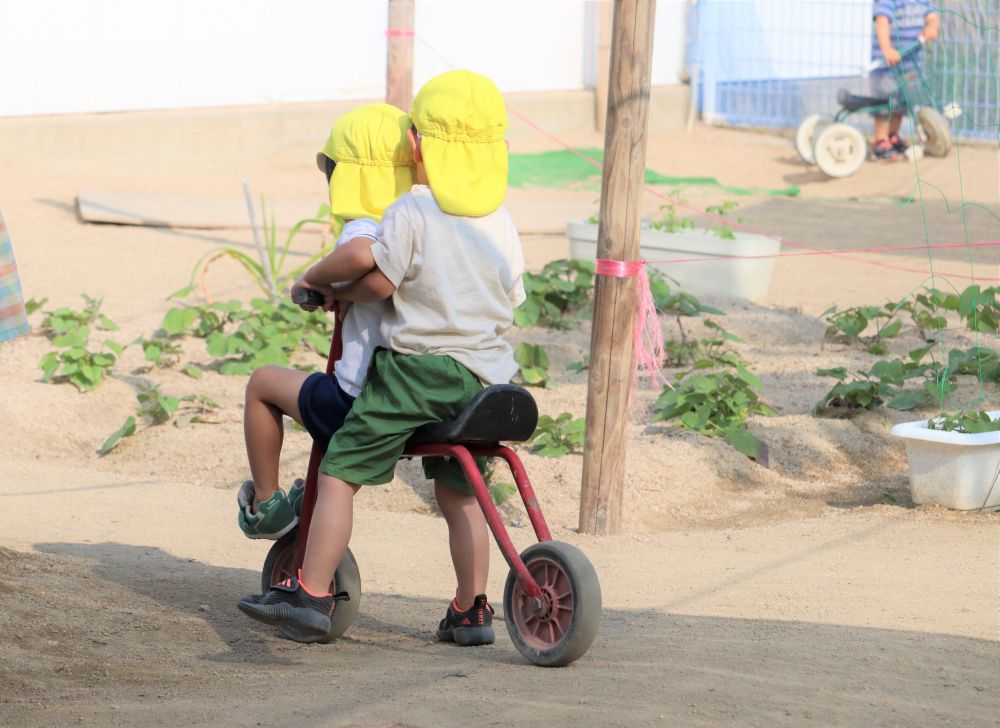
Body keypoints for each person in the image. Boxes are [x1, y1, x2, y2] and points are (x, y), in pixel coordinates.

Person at [238, 69, 525, 648]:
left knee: (341, 471)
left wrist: (323, 284)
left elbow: (380, 283)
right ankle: (471, 610)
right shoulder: (502, 220)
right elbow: (511, 295)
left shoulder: (412, 213)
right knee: (461, 490)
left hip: (417, 374)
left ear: (417, 145)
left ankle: (312, 591)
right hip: (489, 376)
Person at [237, 103, 414, 540]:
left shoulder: (367, 228)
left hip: (361, 400)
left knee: (262, 383)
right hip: (419, 393)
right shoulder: (421, 226)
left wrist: (313, 279)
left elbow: (358, 255)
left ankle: (266, 503)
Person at [870, 0, 940, 161]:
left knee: (903, 101)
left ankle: (892, 135)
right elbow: (882, 21)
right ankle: (880, 140)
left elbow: (932, 16)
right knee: (884, 102)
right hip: (887, 64)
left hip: (911, 61)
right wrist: (887, 49)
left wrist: (931, 27)